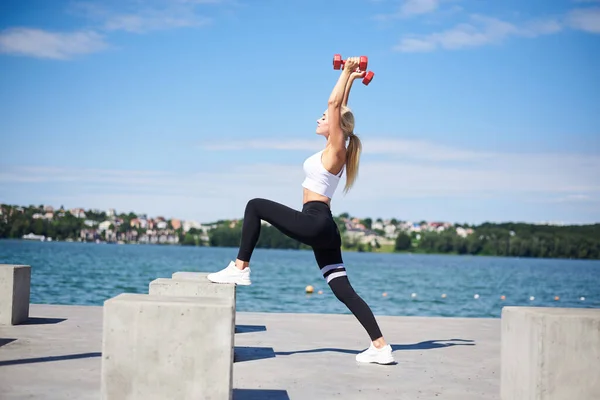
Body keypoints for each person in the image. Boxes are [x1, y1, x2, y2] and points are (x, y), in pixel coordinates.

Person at [207, 57, 395, 365]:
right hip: (325, 229)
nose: (320, 118)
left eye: (324, 117)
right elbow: (341, 105)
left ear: (336, 125)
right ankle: (380, 346)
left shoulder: (337, 146)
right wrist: (351, 79)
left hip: (314, 220)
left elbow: (335, 105)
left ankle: (240, 268)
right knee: (342, 287)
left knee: (255, 206)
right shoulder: (339, 145)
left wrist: (347, 71)